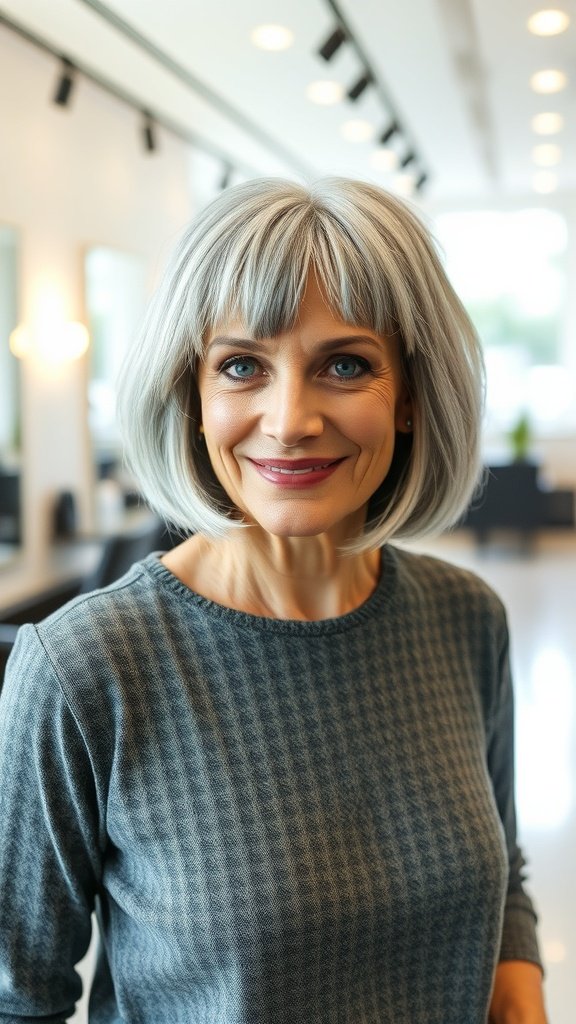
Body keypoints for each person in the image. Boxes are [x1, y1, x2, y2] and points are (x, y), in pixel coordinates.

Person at [0, 178, 548, 1023]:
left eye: (345, 364)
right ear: (194, 395)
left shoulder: (464, 616)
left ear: (407, 398)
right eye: (242, 366)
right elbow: (15, 1001)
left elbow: (501, 873)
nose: (289, 419)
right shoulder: (84, 669)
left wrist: (522, 985)